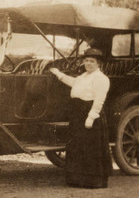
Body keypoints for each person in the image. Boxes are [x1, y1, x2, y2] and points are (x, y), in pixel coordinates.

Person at [50, 48, 112, 188]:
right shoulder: (84, 76)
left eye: (92, 61)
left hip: (89, 114)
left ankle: (93, 181)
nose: (88, 64)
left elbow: (99, 99)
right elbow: (73, 82)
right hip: (77, 114)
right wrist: (59, 74)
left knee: (90, 147)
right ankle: (76, 179)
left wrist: (91, 117)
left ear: (99, 64)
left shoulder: (101, 79)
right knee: (78, 146)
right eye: (86, 61)